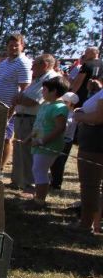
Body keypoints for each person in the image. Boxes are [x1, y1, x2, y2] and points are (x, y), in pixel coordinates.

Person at [10, 54, 59, 191]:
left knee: (29, 153)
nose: (31, 68)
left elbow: (33, 101)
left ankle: (30, 184)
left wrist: (19, 99)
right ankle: (18, 181)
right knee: (20, 151)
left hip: (31, 119)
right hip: (22, 118)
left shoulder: (50, 79)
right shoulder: (38, 79)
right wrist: (19, 98)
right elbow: (22, 96)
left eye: (35, 64)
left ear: (44, 65)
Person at [0, 34, 32, 169]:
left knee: (6, 138)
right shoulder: (4, 62)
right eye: (10, 45)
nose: (13, 48)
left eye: (16, 45)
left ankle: (0, 167)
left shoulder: (23, 63)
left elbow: (24, 88)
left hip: (9, 108)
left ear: (22, 46)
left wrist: (12, 109)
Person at [23, 76, 68, 207]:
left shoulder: (60, 107)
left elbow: (60, 128)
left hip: (49, 145)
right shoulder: (45, 105)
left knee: (39, 170)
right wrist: (29, 137)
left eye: (44, 90)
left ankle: (39, 200)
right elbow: (38, 125)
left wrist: (42, 141)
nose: (42, 92)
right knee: (37, 169)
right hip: (39, 143)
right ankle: (38, 197)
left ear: (53, 92)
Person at [72, 77, 103, 233]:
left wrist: (80, 116)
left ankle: (86, 223)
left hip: (95, 144)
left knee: (90, 185)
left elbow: (99, 118)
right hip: (93, 142)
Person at [49, 91, 80, 190]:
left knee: (59, 162)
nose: (63, 103)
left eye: (66, 102)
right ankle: (54, 180)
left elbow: (65, 127)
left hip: (65, 141)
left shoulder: (72, 115)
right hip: (62, 140)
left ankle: (56, 183)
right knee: (55, 162)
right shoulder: (66, 113)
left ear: (72, 104)